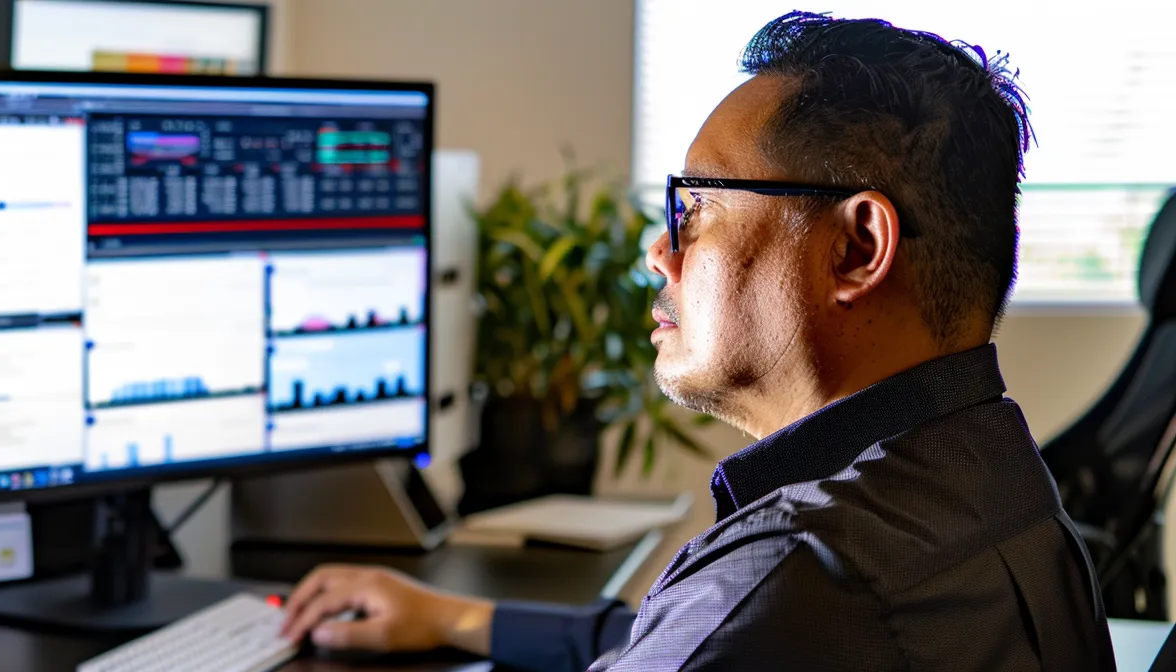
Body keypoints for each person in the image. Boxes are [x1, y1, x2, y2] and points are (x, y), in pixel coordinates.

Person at [280, 11, 1117, 671]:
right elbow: (689, 637)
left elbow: (734, 625)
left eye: (695, 207)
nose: (659, 250)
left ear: (857, 248)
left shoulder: (797, 581)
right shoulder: (1001, 490)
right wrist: (462, 616)